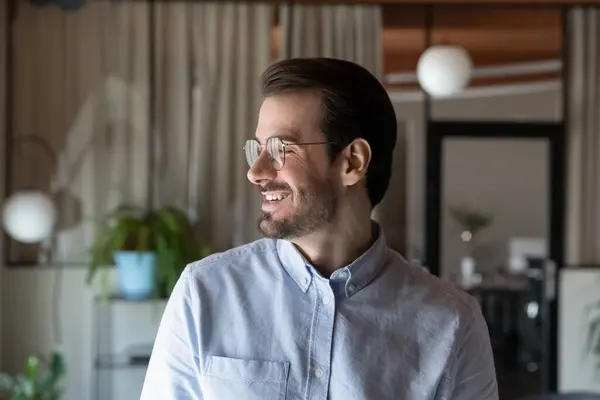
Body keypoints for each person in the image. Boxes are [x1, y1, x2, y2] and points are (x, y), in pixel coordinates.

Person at [140, 58, 498, 400]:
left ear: (352, 162)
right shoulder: (203, 292)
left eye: (282, 148)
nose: (257, 171)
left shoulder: (451, 323)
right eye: (258, 149)